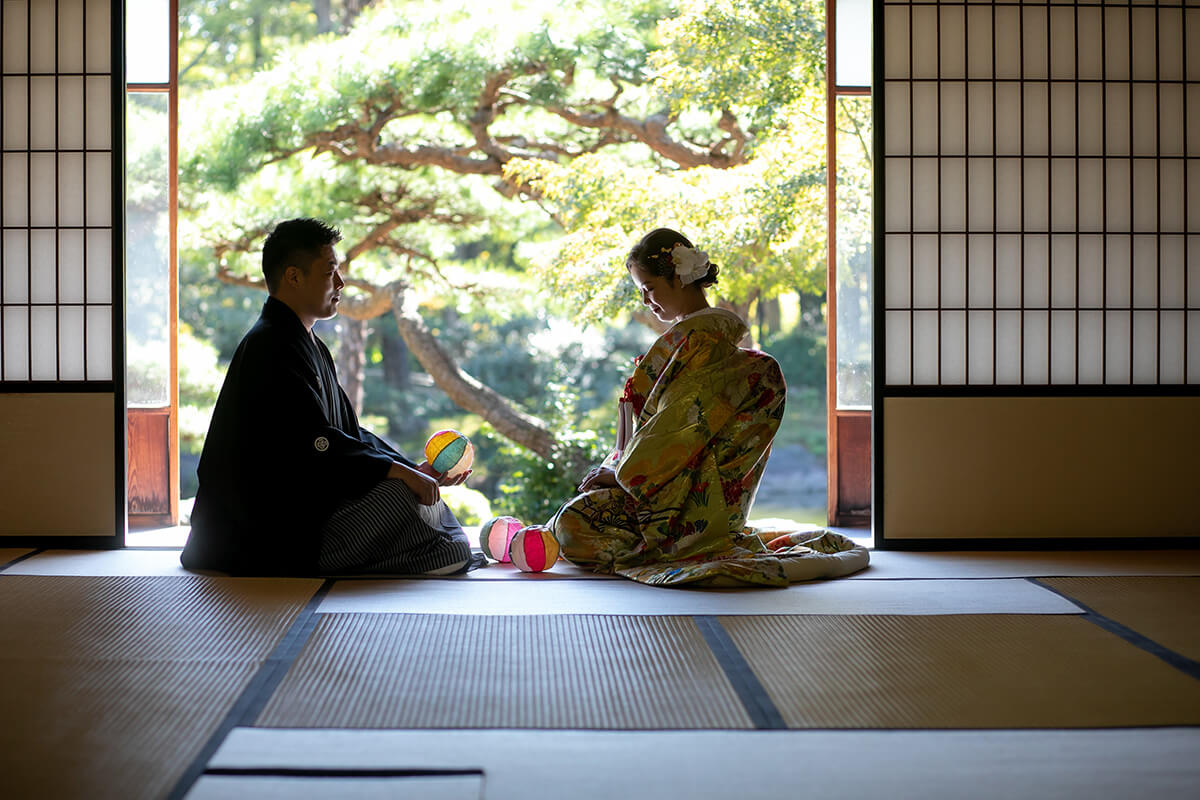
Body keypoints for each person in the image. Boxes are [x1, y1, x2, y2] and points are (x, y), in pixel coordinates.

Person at [547, 228, 868, 587]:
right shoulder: (697, 338)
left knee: (572, 525)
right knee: (576, 516)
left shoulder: (702, 342)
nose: (645, 300)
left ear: (679, 278)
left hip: (684, 495)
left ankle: (683, 544)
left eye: (650, 288)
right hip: (688, 485)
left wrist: (621, 476)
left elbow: (677, 428)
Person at [181, 218, 476, 577]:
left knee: (411, 493)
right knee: (399, 499)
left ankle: (434, 553)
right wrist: (398, 476)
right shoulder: (270, 347)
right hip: (259, 534)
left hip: (302, 514)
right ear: (293, 277)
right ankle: (432, 554)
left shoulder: (307, 345)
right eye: (330, 272)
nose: (340, 283)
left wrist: (410, 470)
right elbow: (315, 442)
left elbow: (349, 434)